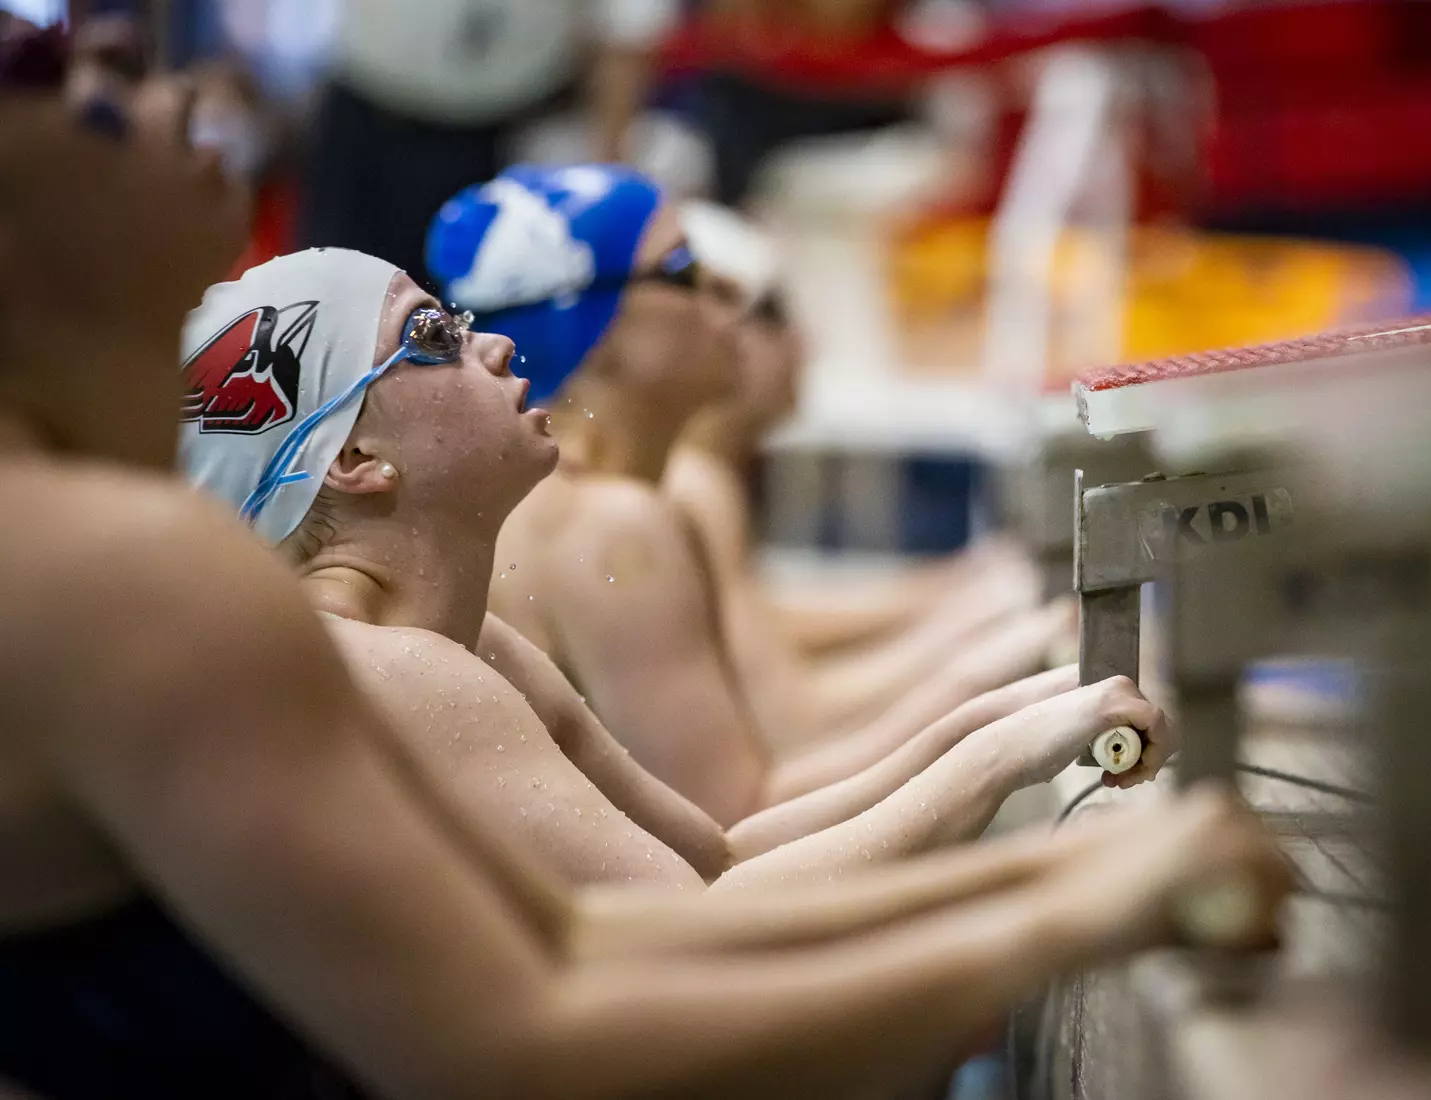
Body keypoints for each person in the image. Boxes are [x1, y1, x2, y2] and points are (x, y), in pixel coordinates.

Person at [0, 79, 1291, 1100]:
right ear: (351, 455)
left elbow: (670, 888)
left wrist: (1016, 772)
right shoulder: (376, 619)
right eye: (697, 285)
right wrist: (1036, 884)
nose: (742, 320)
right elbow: (567, 998)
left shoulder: (457, 633)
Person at [178, 247, 1167, 891]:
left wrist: (1010, 715)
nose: (491, 343)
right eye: (431, 337)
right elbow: (714, 905)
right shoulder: (403, 660)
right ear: (349, 458)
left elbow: (724, 851)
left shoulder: (472, 646)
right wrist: (1004, 757)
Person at [428, 165, 1083, 825]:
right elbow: (736, 832)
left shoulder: (551, 503)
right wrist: (1001, 709)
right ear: (595, 337)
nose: (729, 290)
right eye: (684, 270)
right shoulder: (608, 527)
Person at [665, 202, 1057, 751]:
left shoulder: (696, 476)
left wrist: (952, 593)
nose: (808, 345)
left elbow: (769, 623)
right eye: (775, 313)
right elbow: (795, 725)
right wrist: (981, 635)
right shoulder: (690, 487)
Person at [304, 0, 680, 288]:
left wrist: (608, 171)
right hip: (368, 111)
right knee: (327, 295)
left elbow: (627, 32)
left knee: (465, 330)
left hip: (500, 134)